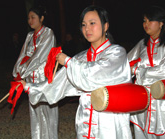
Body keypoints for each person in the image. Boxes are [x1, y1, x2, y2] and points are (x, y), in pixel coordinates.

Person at [21, 5, 133, 139]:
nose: (87, 29)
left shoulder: (117, 53)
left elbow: (96, 74)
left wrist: (68, 62)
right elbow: (58, 82)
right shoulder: (81, 57)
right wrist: (29, 87)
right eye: (84, 25)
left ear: (106, 26)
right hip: (85, 119)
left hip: (109, 121)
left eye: (92, 23)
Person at [127, 6, 165, 139]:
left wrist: (139, 70)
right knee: (141, 131)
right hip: (143, 96)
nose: (146, 24)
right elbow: (125, 64)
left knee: (164, 132)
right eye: (144, 20)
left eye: (150, 20)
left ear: (161, 23)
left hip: (163, 98)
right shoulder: (141, 44)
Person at [13, 6, 58, 139]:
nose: (30, 20)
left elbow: (40, 56)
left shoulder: (48, 33)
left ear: (41, 18)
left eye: (33, 17)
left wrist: (24, 69)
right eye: (28, 18)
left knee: (47, 110)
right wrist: (18, 71)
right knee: (35, 110)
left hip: (43, 77)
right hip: (31, 79)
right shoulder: (29, 36)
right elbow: (23, 54)